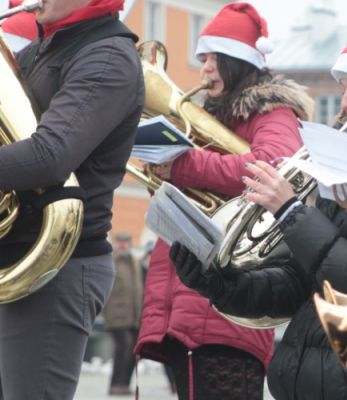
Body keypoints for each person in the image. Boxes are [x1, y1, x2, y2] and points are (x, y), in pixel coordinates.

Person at [169, 22, 347, 400]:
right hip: (305, 382)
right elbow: (299, 286)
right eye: (343, 90)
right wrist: (218, 283)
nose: (345, 104)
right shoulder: (345, 164)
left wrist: (291, 212)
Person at [133, 3, 311, 400]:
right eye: (203, 58)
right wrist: (161, 174)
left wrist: (182, 164)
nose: (205, 69)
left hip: (225, 306)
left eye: (215, 58)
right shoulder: (212, 116)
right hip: (187, 299)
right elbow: (194, 190)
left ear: (239, 61)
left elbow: (273, 167)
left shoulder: (274, 113)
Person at [0, 0, 144, 398]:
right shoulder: (41, 51)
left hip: (56, 268)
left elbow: (50, 156)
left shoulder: (106, 58)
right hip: (17, 255)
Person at [103, 232, 143, 396]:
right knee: (124, 346)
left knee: (134, 350)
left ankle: (124, 384)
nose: (123, 245)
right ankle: (115, 384)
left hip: (134, 316)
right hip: (116, 314)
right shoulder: (112, 261)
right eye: (120, 242)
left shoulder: (134, 261)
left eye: (126, 242)